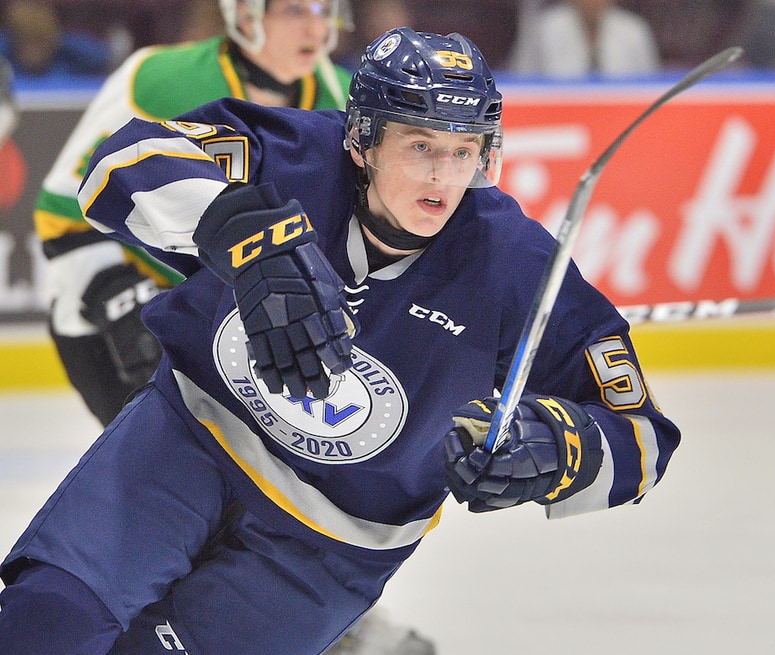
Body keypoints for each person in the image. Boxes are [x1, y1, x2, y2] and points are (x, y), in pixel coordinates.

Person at [0, 27, 681, 654]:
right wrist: (247, 240)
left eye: (462, 150)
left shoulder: (516, 266)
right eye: (420, 146)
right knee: (46, 617)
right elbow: (117, 164)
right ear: (361, 139)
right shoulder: (292, 156)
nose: (443, 176)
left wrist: (558, 448)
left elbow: (642, 436)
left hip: (331, 546)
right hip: (189, 437)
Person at [33, 0, 353, 428]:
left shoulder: (347, 101)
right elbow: (63, 206)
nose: (316, 29)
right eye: (296, 12)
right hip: (132, 303)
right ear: (245, 16)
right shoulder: (159, 80)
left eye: (322, 11)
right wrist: (114, 292)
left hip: (246, 316)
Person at [509, 0, 661, 77]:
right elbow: (521, 85)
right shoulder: (545, 29)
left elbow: (649, 90)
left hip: (620, 117)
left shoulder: (634, 31)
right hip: (560, 119)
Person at [0, 0, 114, 77]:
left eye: (39, 43)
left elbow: (101, 55)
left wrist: (60, 40)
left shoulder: (66, 62)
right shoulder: (6, 69)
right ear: (14, 42)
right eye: (27, 43)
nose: (33, 52)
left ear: (51, 43)